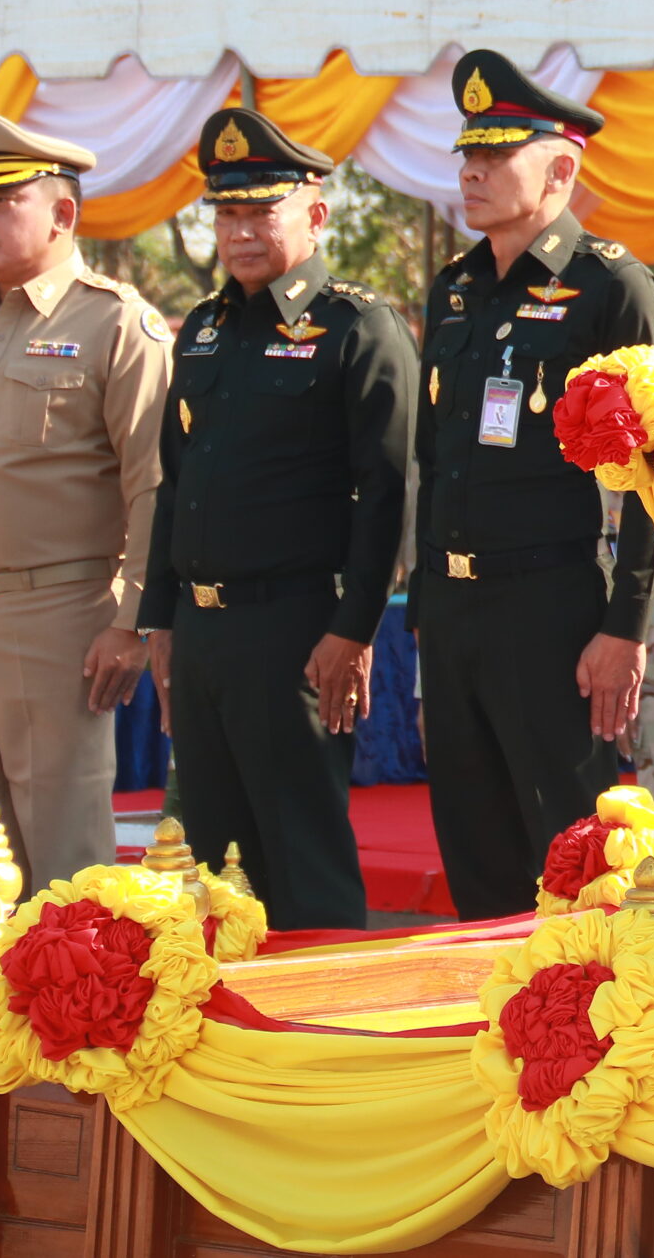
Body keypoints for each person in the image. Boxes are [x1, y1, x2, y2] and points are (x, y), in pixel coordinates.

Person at [134, 111, 413, 928]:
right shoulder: (205, 328)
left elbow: (388, 492)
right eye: (227, 213)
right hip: (202, 631)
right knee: (213, 866)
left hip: (293, 630)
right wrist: (160, 618)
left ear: (316, 215)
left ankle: (329, 1009)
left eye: (262, 212)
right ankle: (231, 1011)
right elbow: (176, 484)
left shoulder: (357, 327)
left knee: (302, 860)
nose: (241, 232)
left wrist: (353, 628)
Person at [414, 51, 654, 922]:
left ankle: (592, 1000)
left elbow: (653, 478)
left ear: (561, 169)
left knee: (577, 854)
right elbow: (433, 460)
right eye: (467, 154)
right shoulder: (454, 289)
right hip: (452, 611)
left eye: (495, 154)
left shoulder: (610, 285)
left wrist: (624, 627)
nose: (471, 171)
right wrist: (423, 619)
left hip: (549, 611)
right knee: (475, 853)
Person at [0, 113, 167, 890]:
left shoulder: (115, 323)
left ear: (63, 212)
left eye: (1, 202)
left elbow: (154, 483)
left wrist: (131, 619)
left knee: (64, 861)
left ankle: (70, 978)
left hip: (57, 620)